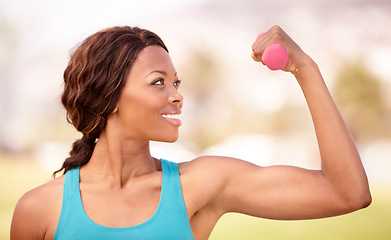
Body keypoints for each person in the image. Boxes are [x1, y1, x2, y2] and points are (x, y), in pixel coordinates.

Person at [10, 25, 371, 240]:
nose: (177, 95)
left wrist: (304, 67)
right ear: (111, 97)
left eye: (176, 82)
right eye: (158, 82)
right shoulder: (40, 209)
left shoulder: (199, 186)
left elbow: (347, 193)